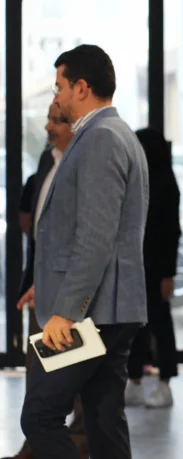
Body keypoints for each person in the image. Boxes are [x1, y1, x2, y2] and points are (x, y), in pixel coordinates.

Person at [21, 45, 149, 459]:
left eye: (59, 86)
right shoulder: (113, 134)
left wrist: (66, 310)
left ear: (81, 87)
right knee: (103, 418)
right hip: (110, 308)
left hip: (95, 311)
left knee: (40, 415)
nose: (56, 97)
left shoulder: (101, 138)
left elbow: (96, 237)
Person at [5, 104, 87, 459]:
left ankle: (78, 442)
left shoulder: (85, 161)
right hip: (41, 281)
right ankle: (35, 443)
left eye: (57, 121)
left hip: (72, 286)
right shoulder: (46, 160)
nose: (48, 127)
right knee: (38, 369)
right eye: (49, 119)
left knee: (75, 373)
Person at [125, 128, 182, 409]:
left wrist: (168, 274)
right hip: (137, 266)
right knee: (136, 326)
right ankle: (134, 380)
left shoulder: (166, 183)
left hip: (158, 269)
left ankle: (165, 383)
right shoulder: (140, 179)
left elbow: (171, 232)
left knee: (160, 326)